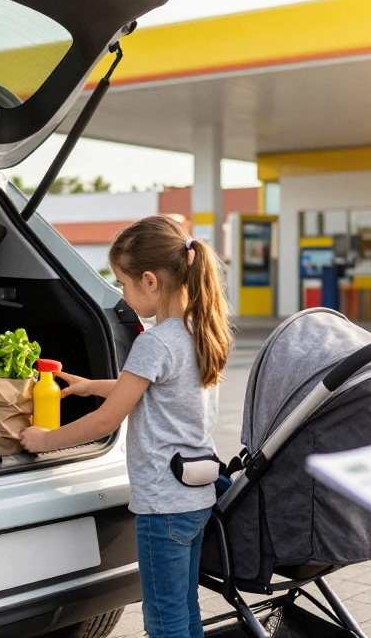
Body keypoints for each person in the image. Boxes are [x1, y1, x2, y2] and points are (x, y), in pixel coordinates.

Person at [20, 215, 232, 638]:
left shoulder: (154, 341)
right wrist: (89, 385)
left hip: (161, 507)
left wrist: (45, 440)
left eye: (123, 283)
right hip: (197, 497)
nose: (121, 293)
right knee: (185, 610)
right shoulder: (200, 330)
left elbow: (107, 418)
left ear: (150, 281)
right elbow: (154, 388)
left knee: (163, 622)